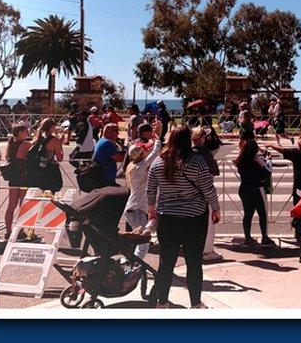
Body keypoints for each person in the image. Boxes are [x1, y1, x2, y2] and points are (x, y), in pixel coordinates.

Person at [146, 126, 221, 309]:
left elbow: (150, 189)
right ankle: (195, 303)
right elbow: (208, 189)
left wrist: (151, 209)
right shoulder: (197, 162)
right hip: (193, 217)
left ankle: (162, 302)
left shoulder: (158, 162)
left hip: (167, 216)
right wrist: (216, 209)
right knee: (194, 262)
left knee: (166, 261)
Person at [123, 120, 162, 258]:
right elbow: (155, 152)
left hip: (135, 209)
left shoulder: (134, 165)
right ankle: (134, 266)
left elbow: (152, 152)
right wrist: (157, 136)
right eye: (145, 150)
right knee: (144, 243)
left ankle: (133, 263)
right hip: (137, 210)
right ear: (141, 155)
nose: (147, 151)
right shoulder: (140, 167)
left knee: (144, 238)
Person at [234, 138, 276, 247]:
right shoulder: (255, 161)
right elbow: (267, 172)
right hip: (257, 189)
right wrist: (268, 161)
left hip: (244, 189)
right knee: (262, 214)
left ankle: (247, 237)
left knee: (248, 214)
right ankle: (265, 238)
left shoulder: (241, 160)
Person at [192, 126, 225, 261]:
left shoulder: (188, 152)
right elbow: (214, 172)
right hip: (204, 191)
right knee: (209, 223)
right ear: (202, 138)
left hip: (191, 192)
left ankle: (196, 248)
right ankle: (207, 251)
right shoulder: (205, 153)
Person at [2, 124, 32, 240]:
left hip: (13, 178)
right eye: (25, 131)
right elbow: (21, 159)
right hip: (23, 177)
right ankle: (21, 231)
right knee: (23, 206)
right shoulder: (25, 144)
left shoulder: (11, 142)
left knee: (11, 206)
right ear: (19, 132)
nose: (27, 133)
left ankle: (8, 231)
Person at [29, 118, 64, 192]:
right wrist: (60, 143)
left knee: (41, 191)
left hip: (38, 168)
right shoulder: (54, 140)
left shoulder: (37, 138)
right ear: (52, 127)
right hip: (50, 169)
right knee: (53, 191)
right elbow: (60, 158)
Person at [91, 123, 124, 187]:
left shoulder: (102, 140)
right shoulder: (107, 143)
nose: (118, 134)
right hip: (106, 177)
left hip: (101, 175)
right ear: (109, 131)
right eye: (116, 131)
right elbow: (119, 158)